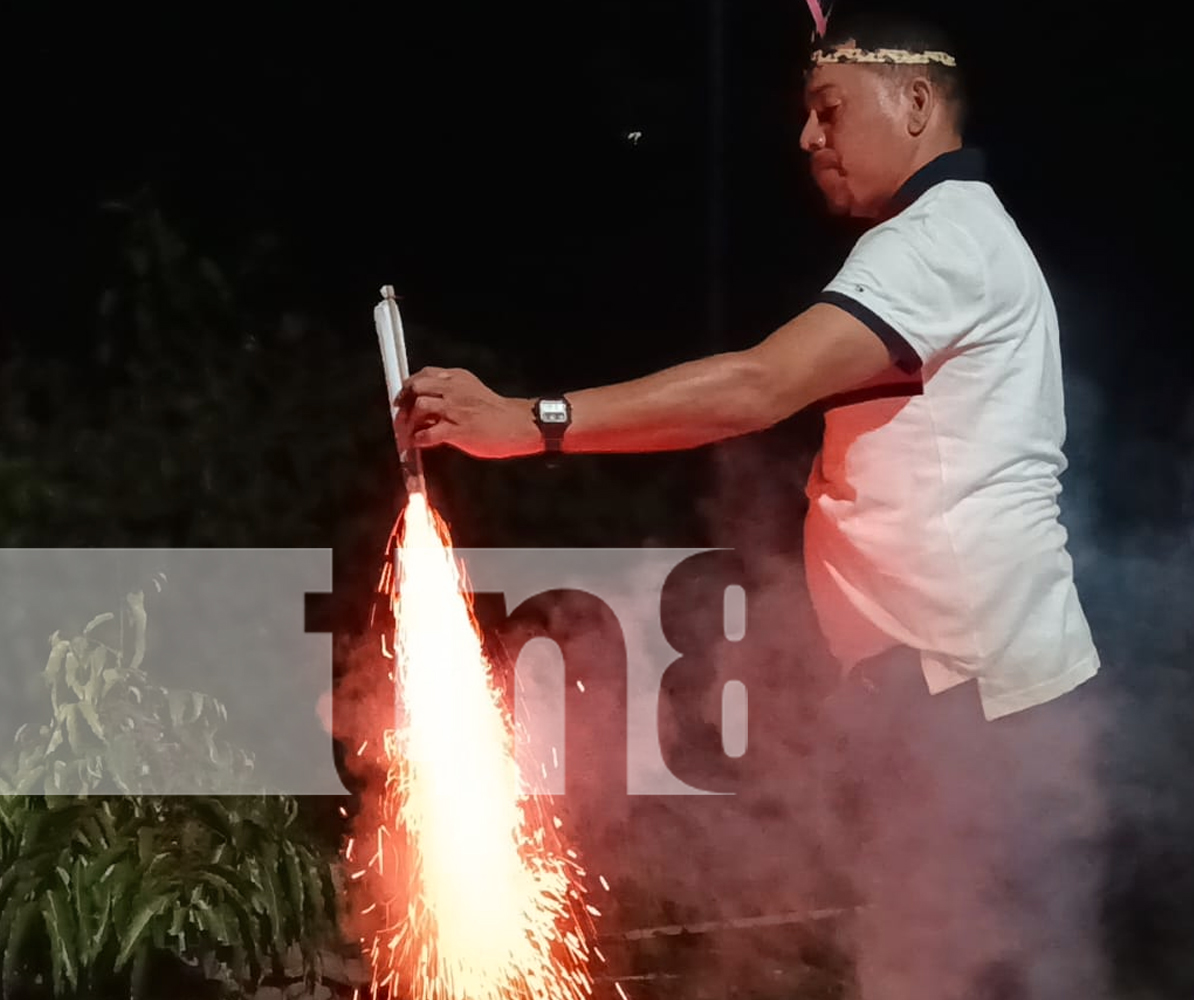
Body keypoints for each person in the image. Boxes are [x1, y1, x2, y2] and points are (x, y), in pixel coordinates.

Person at [397, 12, 1107, 1000]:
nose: (808, 139)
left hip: (969, 699)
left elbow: (755, 388)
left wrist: (531, 420)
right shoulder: (950, 236)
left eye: (827, 110)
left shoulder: (940, 244)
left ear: (914, 103)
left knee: (933, 971)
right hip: (962, 693)